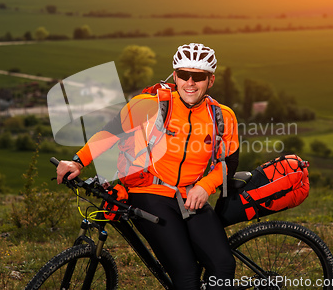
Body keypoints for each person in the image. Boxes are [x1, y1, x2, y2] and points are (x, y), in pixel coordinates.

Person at [57, 43, 240, 289]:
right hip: (150, 193)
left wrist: (206, 186)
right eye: (184, 75)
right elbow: (111, 132)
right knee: (186, 276)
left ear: (211, 80)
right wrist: (78, 161)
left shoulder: (222, 116)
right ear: (175, 76)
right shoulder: (150, 104)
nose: (190, 82)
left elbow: (228, 163)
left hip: (192, 196)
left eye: (198, 77)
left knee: (223, 267)